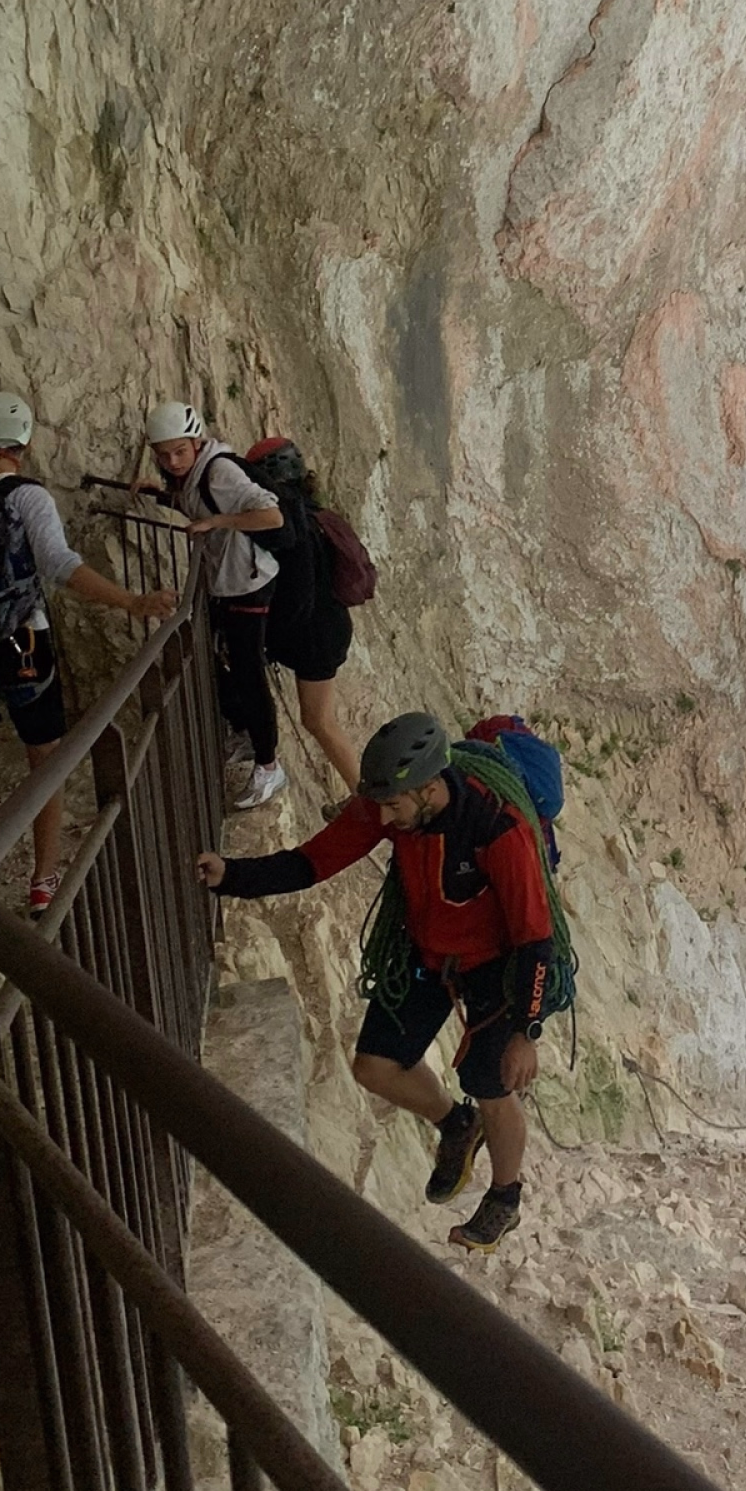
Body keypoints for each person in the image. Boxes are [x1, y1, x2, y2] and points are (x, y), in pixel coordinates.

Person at [196, 711, 552, 1251]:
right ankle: (457, 1125)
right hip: (427, 954)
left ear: (429, 788)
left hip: (497, 968)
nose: (382, 817)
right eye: (380, 805)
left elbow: (534, 936)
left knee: (491, 1083)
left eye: (392, 805)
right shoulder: (391, 808)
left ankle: (506, 1196)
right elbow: (313, 862)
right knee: (374, 1066)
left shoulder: (497, 827)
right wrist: (233, 875)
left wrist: (527, 1030)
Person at [0, 392, 176, 912]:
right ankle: (44, 879)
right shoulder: (30, 498)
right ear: (23, 444)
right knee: (44, 755)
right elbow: (61, 566)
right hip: (23, 643)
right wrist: (132, 602)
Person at [145, 403, 286, 810]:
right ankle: (245, 733)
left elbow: (271, 516)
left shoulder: (219, 471)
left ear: (196, 442)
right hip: (229, 584)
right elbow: (199, 503)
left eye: (179, 452)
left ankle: (269, 766)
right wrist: (159, 495)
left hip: (250, 585)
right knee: (220, 663)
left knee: (248, 673)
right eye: (164, 455)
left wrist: (218, 523)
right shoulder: (193, 474)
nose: (173, 462)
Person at [243, 437, 359, 791]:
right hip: (327, 626)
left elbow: (299, 595)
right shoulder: (311, 513)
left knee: (319, 721)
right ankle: (366, 796)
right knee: (319, 720)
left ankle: (367, 797)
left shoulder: (291, 522)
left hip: (315, 634)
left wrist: (270, 640)